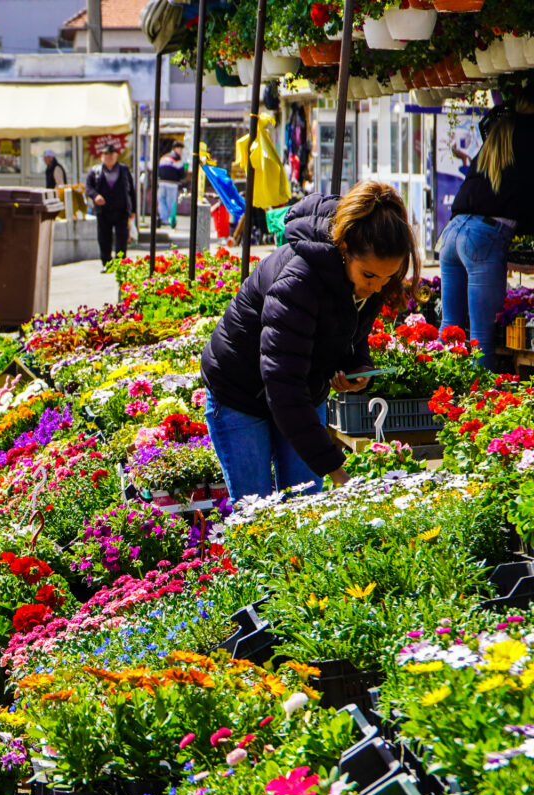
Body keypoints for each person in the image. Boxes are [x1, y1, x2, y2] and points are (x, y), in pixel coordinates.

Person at [200, 181, 420, 502]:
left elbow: (349, 326)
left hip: (298, 391)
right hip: (239, 392)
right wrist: (336, 471)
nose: (376, 288)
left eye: (387, 278)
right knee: (257, 515)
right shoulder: (298, 280)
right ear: (344, 249)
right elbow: (282, 383)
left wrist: (357, 366)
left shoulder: (369, 272)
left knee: (306, 509)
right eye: (370, 277)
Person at [440, 84, 534, 371]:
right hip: (483, 236)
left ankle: (443, 395)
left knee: (450, 330)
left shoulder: (499, 132)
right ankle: (477, 407)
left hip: (453, 231)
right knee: (481, 338)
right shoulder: (529, 134)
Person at [85, 143, 135, 269]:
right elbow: (88, 187)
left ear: (116, 156)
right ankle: (107, 263)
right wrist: (95, 196)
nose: (109, 157)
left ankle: (120, 264)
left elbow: (132, 191)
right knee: (104, 238)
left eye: (111, 154)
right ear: (102, 156)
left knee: (121, 239)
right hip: (103, 211)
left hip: (121, 210)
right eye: (106, 154)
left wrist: (133, 210)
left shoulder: (124, 170)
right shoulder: (95, 171)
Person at [157, 140, 186, 228]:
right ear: (175, 149)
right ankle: (166, 219)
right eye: (179, 148)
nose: (180, 151)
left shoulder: (163, 157)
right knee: (170, 202)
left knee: (161, 200)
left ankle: (162, 218)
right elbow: (182, 173)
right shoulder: (177, 159)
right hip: (172, 184)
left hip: (161, 183)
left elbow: (159, 170)